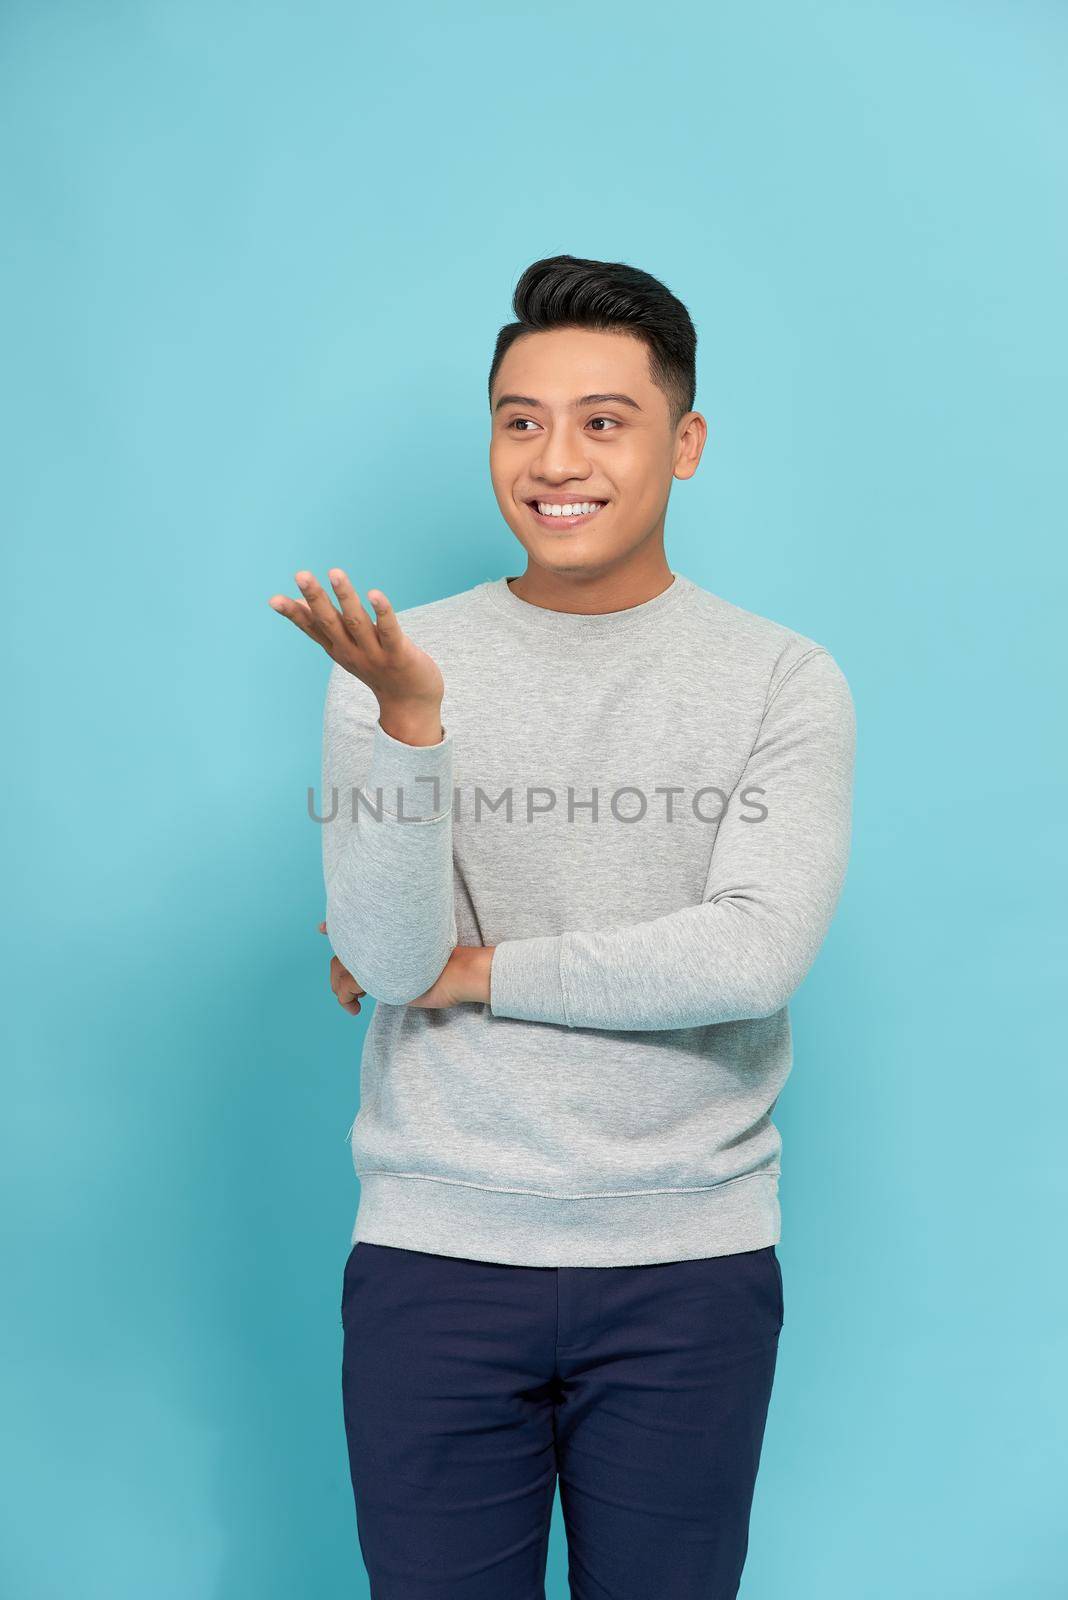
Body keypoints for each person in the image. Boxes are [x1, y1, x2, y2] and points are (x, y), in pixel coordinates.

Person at [269, 254, 856, 1600]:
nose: (555, 458)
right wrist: (412, 727)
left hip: (686, 1267)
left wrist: (479, 970)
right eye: (520, 419)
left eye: (605, 419)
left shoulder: (782, 679)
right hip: (437, 1254)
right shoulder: (390, 661)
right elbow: (394, 957)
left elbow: (752, 950)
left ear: (684, 442)